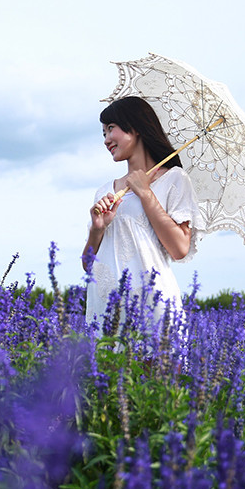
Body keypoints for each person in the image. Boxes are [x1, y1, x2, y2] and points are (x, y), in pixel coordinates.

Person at [82, 96, 202, 335]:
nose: (106, 140)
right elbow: (87, 265)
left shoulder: (174, 180)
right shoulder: (105, 191)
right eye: (103, 133)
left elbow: (180, 249)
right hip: (106, 310)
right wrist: (97, 229)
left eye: (111, 129)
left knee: (157, 371)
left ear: (134, 128)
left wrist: (146, 194)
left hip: (152, 305)